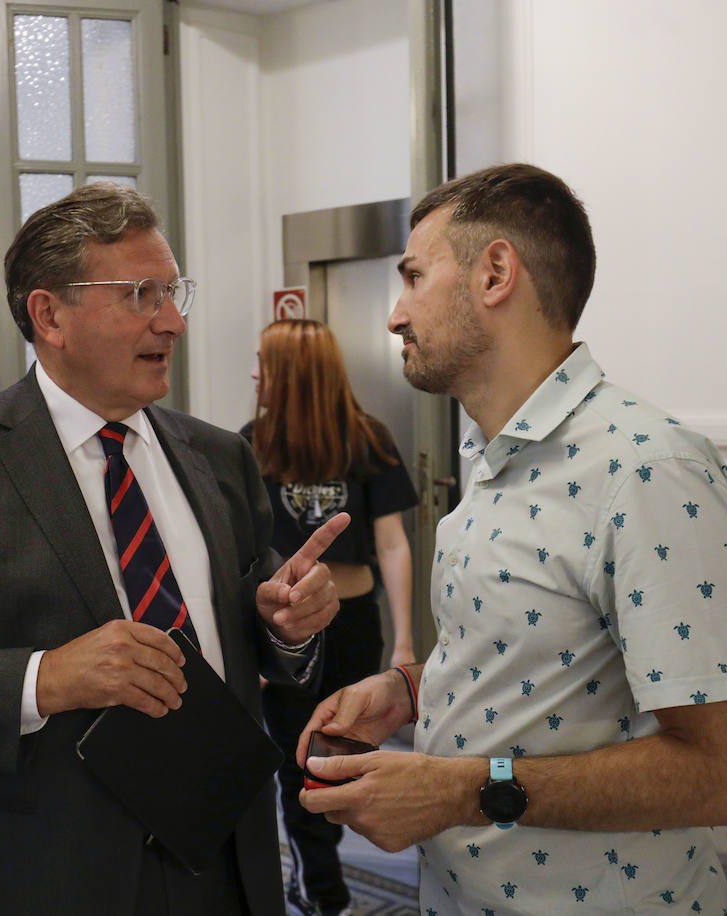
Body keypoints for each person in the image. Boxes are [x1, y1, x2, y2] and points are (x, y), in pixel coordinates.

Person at [0, 182, 346, 916]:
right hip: (46, 875)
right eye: (140, 294)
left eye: (173, 292)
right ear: (49, 315)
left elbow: (246, 638)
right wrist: (46, 679)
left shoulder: (218, 457)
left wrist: (285, 625)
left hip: (228, 863)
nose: (172, 322)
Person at [297, 164, 727, 915]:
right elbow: (538, 654)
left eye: (415, 277)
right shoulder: (489, 460)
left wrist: (459, 791)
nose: (395, 314)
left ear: (494, 274)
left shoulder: (646, 469)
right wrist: (406, 692)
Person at [241, 319, 418, 916]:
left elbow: (392, 546)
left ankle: (324, 866)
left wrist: (405, 642)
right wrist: (255, 649)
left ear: (291, 372)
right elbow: (242, 559)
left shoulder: (369, 440)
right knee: (299, 763)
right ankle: (323, 891)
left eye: (263, 363)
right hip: (289, 630)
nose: (254, 375)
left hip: (354, 623)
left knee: (339, 751)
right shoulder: (251, 444)